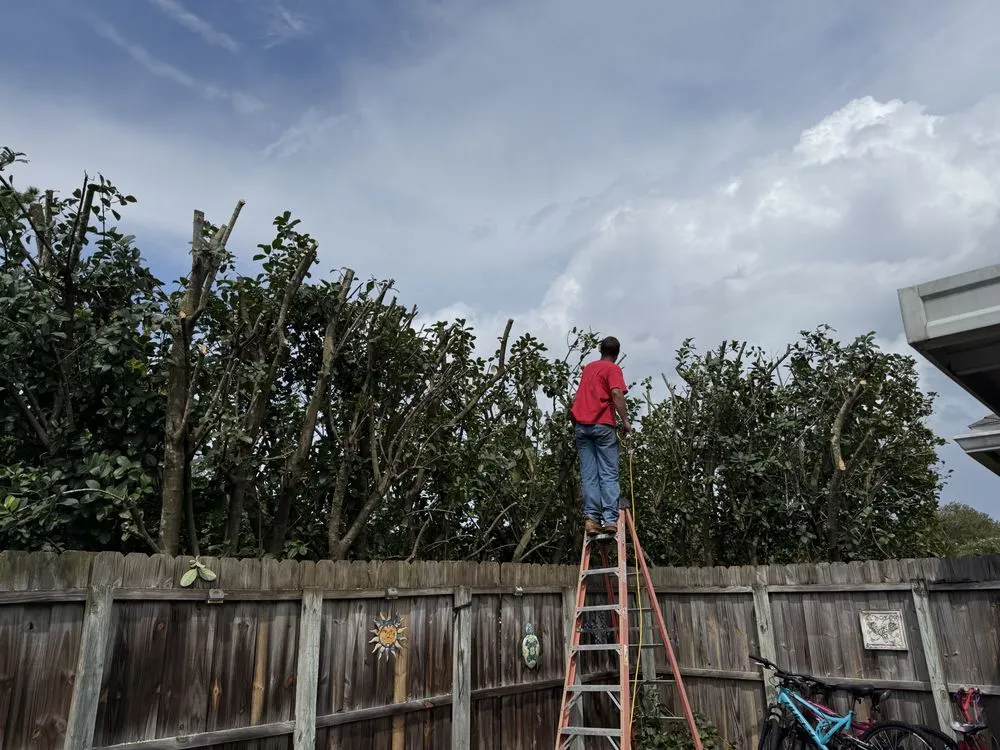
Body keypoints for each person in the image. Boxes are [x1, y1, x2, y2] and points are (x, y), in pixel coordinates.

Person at [569, 336, 631, 536]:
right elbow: (616, 393)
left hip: (581, 426)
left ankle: (592, 519)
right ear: (617, 353)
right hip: (602, 425)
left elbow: (578, 396)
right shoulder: (612, 369)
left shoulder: (588, 369)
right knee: (608, 472)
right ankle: (610, 519)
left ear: (600, 350)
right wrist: (626, 422)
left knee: (589, 474)